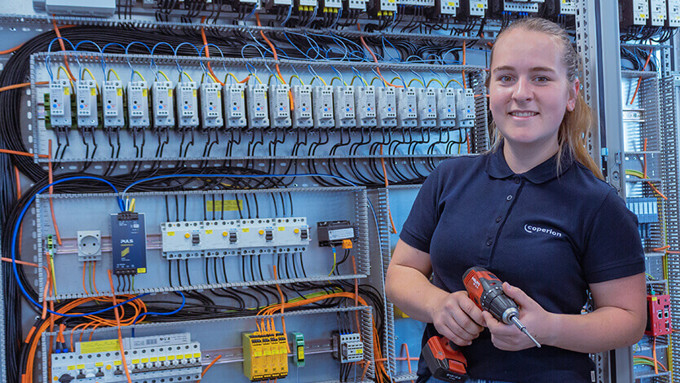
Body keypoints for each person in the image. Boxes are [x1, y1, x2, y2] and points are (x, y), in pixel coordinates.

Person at [385, 17, 646, 383]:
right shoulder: (448, 179)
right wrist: (437, 305)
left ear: (571, 94)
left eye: (540, 77)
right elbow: (400, 274)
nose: (521, 93)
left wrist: (549, 328)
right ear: (489, 90)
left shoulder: (598, 204)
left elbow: (629, 319)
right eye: (506, 77)